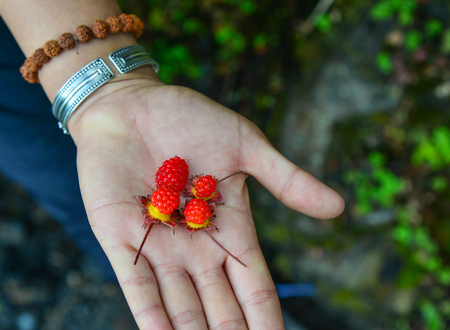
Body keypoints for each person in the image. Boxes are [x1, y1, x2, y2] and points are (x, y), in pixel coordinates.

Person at [0, 1, 345, 329]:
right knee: (80, 194)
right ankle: (145, 283)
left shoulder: (190, 194)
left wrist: (107, 95)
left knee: (92, 181)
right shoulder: (181, 198)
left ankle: (214, 289)